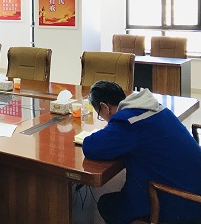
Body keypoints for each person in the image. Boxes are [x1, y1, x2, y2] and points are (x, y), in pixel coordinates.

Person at [82, 81, 201, 224]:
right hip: (194, 189)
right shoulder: (153, 107)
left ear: (104, 107)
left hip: (183, 204)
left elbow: (91, 147)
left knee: (107, 205)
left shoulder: (128, 122)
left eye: (100, 115)